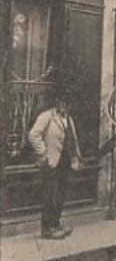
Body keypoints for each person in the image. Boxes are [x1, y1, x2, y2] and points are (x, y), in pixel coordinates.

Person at [28, 87, 83, 240]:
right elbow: (33, 135)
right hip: (51, 163)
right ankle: (46, 229)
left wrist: (77, 158)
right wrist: (43, 152)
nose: (64, 105)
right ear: (57, 102)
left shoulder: (69, 119)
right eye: (62, 102)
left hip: (66, 163)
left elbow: (73, 140)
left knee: (61, 195)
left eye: (67, 103)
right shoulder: (47, 116)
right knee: (49, 196)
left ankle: (56, 224)